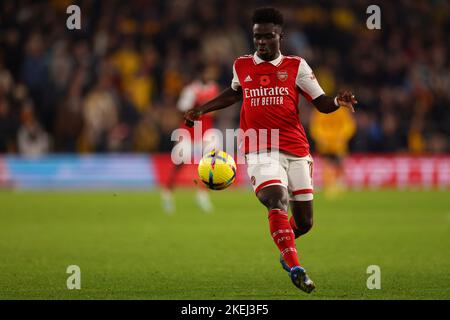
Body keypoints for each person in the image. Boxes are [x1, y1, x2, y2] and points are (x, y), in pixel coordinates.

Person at [184, 7, 357, 293]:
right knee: (276, 199)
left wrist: (337, 101)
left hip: (296, 147)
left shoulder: (296, 66)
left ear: (280, 35)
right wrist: (202, 109)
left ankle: (285, 248)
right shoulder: (241, 65)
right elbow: (235, 92)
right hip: (258, 145)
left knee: (305, 222)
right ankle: (296, 266)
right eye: (257, 37)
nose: (261, 42)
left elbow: (321, 102)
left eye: (267, 36)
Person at [162, 64, 220, 213]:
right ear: (201, 74)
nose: (210, 75)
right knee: (181, 161)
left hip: (206, 131)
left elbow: (216, 110)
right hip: (188, 131)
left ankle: (202, 195)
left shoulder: (214, 88)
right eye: (208, 72)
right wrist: (198, 107)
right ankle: (168, 193)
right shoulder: (191, 90)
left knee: (212, 161)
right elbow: (182, 109)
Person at [310, 106, 356, 199]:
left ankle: (340, 184)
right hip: (326, 145)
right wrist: (321, 138)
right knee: (327, 164)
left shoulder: (341, 110)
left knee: (339, 163)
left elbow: (349, 126)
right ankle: (329, 185)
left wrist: (342, 136)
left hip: (338, 145)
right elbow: (315, 127)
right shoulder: (320, 111)